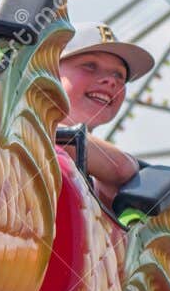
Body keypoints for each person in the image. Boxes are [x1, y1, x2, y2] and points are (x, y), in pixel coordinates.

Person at [57, 22, 153, 206]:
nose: (111, 81)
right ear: (49, 70)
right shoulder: (10, 122)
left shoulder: (101, 184)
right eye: (90, 66)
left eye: (119, 75)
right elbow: (120, 167)